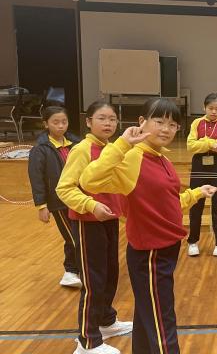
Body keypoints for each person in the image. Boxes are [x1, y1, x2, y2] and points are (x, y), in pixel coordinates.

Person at [80, 98, 217, 354]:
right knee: (162, 324)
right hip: (150, 255)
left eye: (173, 124)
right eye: (159, 121)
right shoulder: (132, 157)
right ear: (141, 122)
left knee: (148, 319)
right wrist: (122, 144)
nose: (166, 129)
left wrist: (197, 193)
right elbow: (88, 180)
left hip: (165, 249)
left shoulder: (161, 157)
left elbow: (169, 204)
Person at [56, 100, 131, 354]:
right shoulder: (82, 149)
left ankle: (106, 321)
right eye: (102, 118)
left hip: (109, 219)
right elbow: (64, 188)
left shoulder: (112, 149)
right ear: (88, 122)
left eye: (112, 119)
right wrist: (90, 205)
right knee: (93, 280)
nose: (108, 123)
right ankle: (87, 341)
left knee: (110, 274)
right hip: (88, 222)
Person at [28, 106, 82, 288]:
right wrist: (41, 206)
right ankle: (74, 271)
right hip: (58, 201)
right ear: (46, 124)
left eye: (64, 122)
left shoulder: (76, 143)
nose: (60, 126)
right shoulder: (40, 149)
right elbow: (36, 178)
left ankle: (72, 271)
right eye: (55, 122)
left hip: (78, 198)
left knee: (77, 236)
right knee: (73, 237)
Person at [186, 93, 217, 257]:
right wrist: (211, 143)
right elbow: (190, 146)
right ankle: (192, 242)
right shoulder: (196, 122)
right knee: (195, 204)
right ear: (204, 107)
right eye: (210, 108)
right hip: (199, 165)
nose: (214, 112)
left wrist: (203, 142)